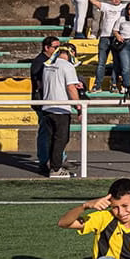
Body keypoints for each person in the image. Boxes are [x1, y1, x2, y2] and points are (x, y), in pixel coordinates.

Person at [40, 42, 81, 178]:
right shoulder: (67, 66)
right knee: (61, 139)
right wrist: (78, 106)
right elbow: (70, 88)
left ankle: (51, 165)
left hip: (47, 106)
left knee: (51, 139)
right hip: (60, 109)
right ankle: (56, 168)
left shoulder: (48, 64)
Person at [30, 36, 61, 175]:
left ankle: (56, 159)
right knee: (45, 133)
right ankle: (44, 162)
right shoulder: (40, 62)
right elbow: (38, 83)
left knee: (54, 132)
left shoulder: (50, 61)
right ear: (46, 48)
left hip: (48, 100)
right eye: (55, 47)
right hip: (42, 101)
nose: (58, 50)